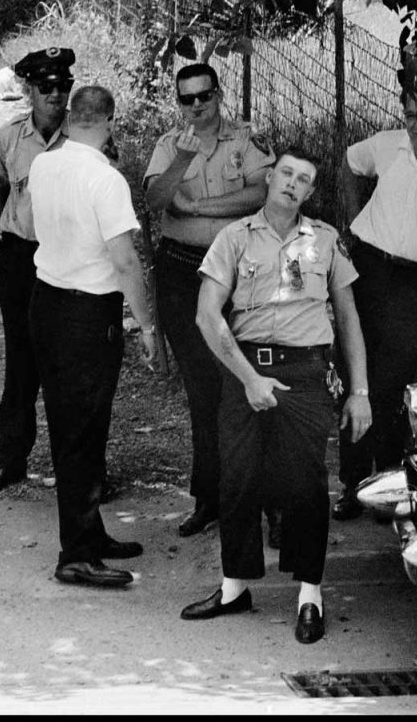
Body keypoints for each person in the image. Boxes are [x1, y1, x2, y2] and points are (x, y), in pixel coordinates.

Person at [180, 147, 372, 644]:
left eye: (303, 178)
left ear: (311, 191)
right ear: (269, 179)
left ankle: (310, 593)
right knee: (237, 477)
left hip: (306, 373)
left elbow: (348, 319)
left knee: (307, 484)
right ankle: (234, 586)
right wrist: (248, 379)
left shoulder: (326, 242)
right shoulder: (233, 238)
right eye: (285, 173)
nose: (292, 183)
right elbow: (207, 316)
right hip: (244, 369)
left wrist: (361, 392)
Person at [26, 84, 160, 588]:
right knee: (81, 431)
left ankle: (89, 530)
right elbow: (125, 260)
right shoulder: (105, 179)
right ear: (105, 121)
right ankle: (76, 554)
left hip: (48, 301)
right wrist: (147, 325)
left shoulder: (45, 163)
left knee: (76, 426)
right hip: (86, 312)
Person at [143, 63, 276, 539]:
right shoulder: (168, 145)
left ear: (219, 95)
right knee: (202, 387)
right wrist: (181, 161)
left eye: (204, 96)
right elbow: (158, 201)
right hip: (182, 269)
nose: (196, 106)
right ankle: (209, 497)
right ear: (178, 102)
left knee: (250, 381)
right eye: (186, 99)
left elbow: (262, 193)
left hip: (238, 270)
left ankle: (265, 499)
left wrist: (198, 206)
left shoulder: (245, 140)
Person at [332, 87, 417, 520]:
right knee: (354, 372)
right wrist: (354, 222)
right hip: (370, 268)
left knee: (391, 385)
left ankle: (388, 487)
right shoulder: (388, 145)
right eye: (410, 114)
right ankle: (352, 485)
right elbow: (347, 165)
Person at [0, 47, 75, 495]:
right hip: (21, 257)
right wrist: (13, 229)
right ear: (28, 91)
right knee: (21, 359)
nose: (57, 95)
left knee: (70, 365)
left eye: (64, 86)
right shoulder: (10, 136)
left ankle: (80, 469)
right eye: (47, 87)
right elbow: (0, 187)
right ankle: (10, 459)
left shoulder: (84, 136)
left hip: (69, 259)